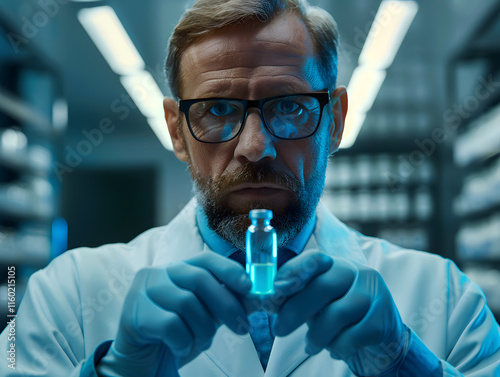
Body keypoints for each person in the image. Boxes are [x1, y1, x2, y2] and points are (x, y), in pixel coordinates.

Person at [1, 0, 500, 376]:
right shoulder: (64, 298)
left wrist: (406, 364)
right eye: (218, 109)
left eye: (288, 105)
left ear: (335, 121)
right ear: (176, 130)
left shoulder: (447, 301)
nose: (255, 147)